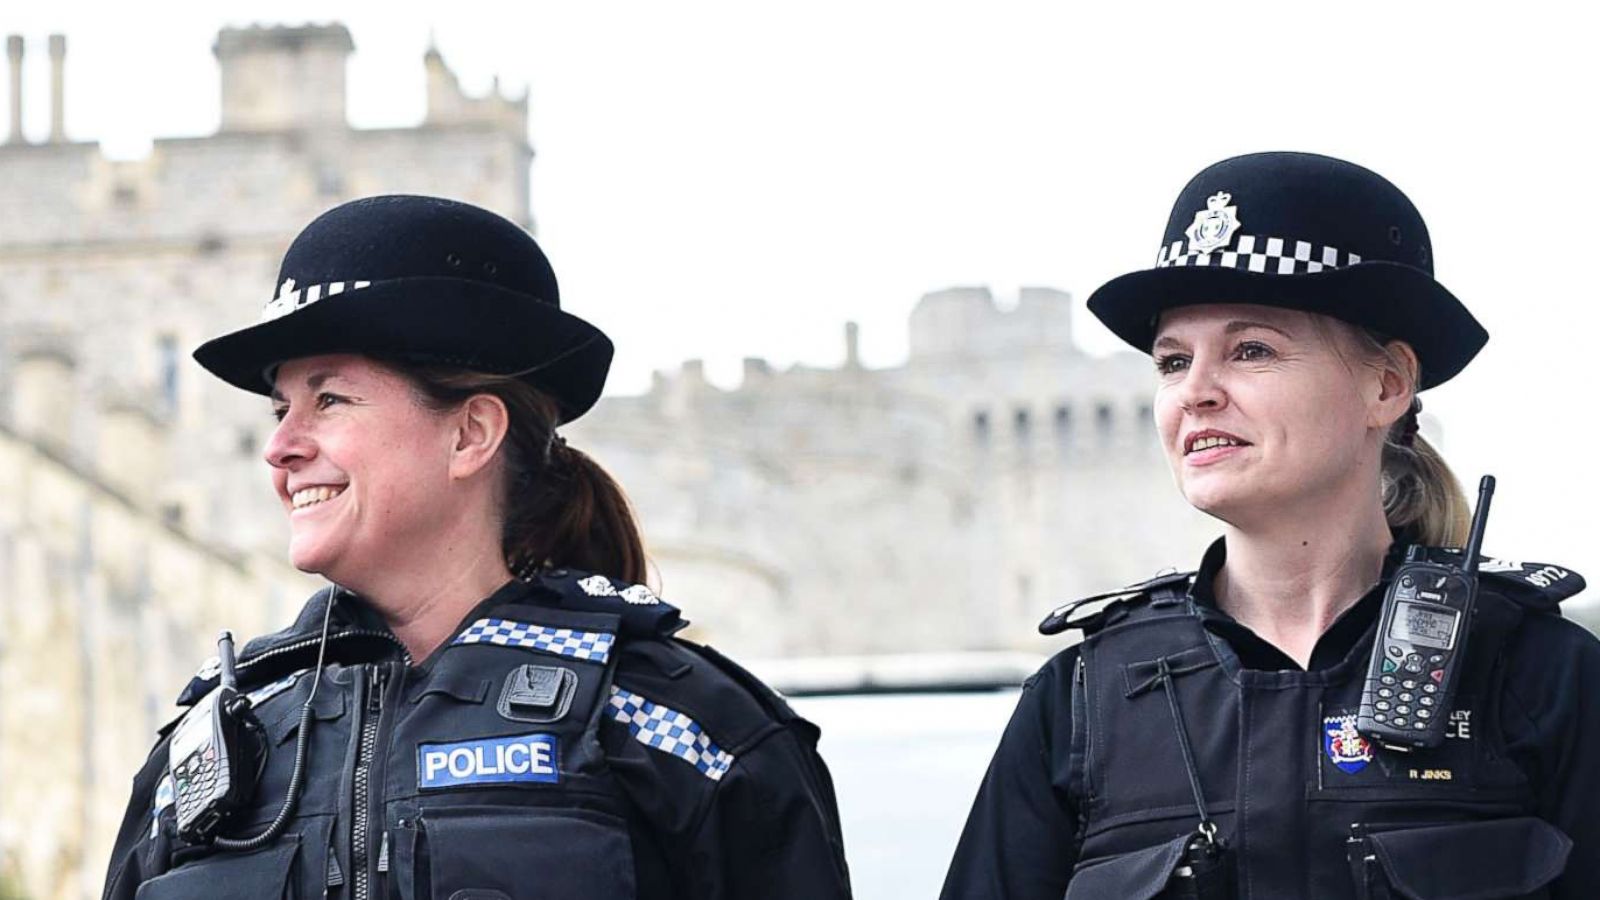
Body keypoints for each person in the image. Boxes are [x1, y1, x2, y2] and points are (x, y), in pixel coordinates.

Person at [100, 195, 853, 900]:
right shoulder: (218, 749)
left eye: (329, 400)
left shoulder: (682, 731)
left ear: (470, 434)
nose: (281, 447)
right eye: (279, 408)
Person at [941, 152, 1598, 899]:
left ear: (1385, 385)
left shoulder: (1542, 678)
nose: (1194, 393)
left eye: (1251, 351)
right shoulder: (1081, 701)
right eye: (1171, 361)